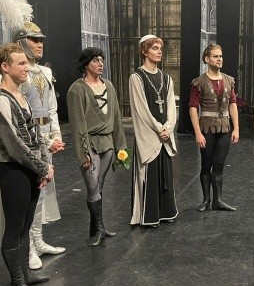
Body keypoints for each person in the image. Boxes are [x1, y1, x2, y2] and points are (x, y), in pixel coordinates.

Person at [0, 22, 66, 270]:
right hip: (27, 138)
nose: (40, 44)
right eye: (34, 39)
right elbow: (20, 114)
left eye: (41, 40)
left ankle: (37, 240)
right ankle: (28, 248)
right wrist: (44, 140)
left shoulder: (45, 72)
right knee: (30, 194)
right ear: (21, 42)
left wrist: (55, 134)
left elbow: (51, 107)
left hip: (45, 134)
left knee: (43, 190)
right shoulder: (15, 74)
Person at [0, 43, 52, 286]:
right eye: (21, 63)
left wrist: (44, 164)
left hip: (30, 168)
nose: (27, 67)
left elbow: (36, 135)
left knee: (26, 225)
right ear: (5, 67)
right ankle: (17, 281)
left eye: (26, 62)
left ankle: (26, 273)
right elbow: (14, 146)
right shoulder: (0, 100)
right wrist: (42, 167)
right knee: (14, 228)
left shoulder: (21, 96)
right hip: (14, 171)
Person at [67, 48, 127, 246]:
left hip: (107, 143)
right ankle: (99, 229)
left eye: (101, 60)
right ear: (86, 64)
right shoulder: (77, 89)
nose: (100, 64)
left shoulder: (108, 86)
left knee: (99, 185)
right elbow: (78, 124)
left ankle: (96, 229)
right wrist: (83, 153)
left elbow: (116, 117)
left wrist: (121, 146)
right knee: (92, 186)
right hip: (90, 143)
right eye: (95, 60)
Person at [129, 34, 178, 227]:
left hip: (164, 134)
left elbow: (171, 106)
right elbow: (140, 109)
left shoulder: (166, 78)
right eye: (154, 48)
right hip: (149, 134)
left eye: (160, 48)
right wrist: (159, 128)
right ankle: (149, 216)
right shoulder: (136, 78)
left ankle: (166, 212)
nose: (159, 52)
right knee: (149, 173)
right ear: (144, 51)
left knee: (165, 172)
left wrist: (169, 128)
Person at [189, 43, 239, 211]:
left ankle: (218, 200)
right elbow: (193, 107)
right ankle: (206, 200)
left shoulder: (229, 80)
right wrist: (198, 133)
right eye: (215, 56)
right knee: (206, 165)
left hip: (224, 128)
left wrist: (236, 128)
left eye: (221, 56)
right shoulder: (199, 82)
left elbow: (232, 104)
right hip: (207, 129)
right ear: (207, 59)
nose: (219, 59)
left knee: (219, 165)